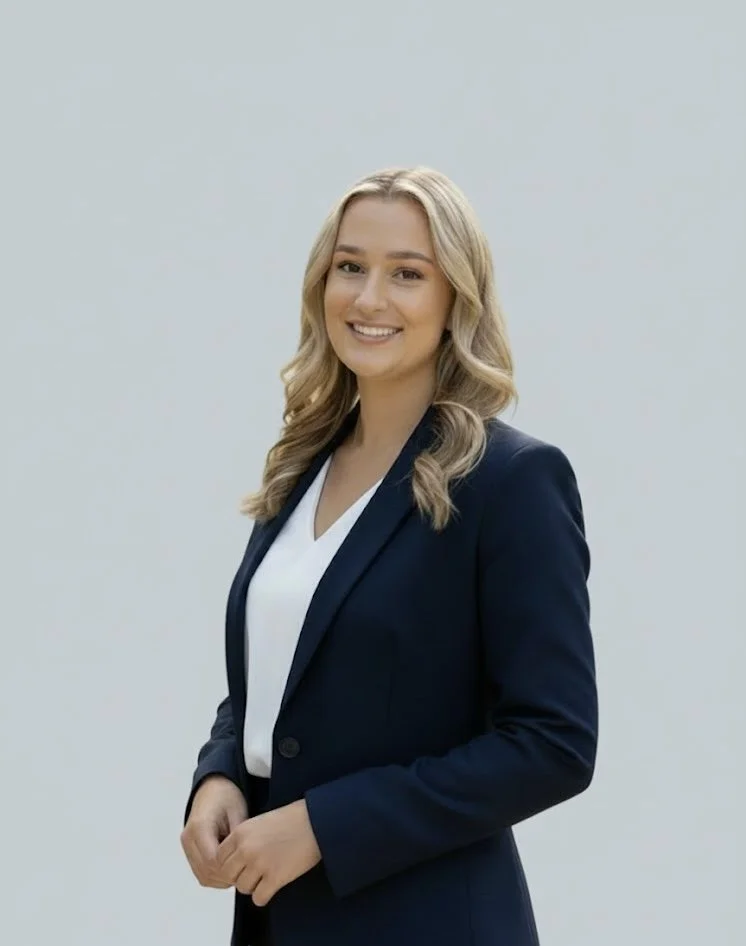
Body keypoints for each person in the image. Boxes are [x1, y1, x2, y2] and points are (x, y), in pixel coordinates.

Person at [180, 166, 598, 946]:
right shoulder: (301, 467)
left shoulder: (510, 482)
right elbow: (283, 673)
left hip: (427, 919)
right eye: (350, 266)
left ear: (455, 300)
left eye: (407, 274)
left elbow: (553, 743)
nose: (369, 298)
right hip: (279, 920)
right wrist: (221, 774)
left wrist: (324, 826)